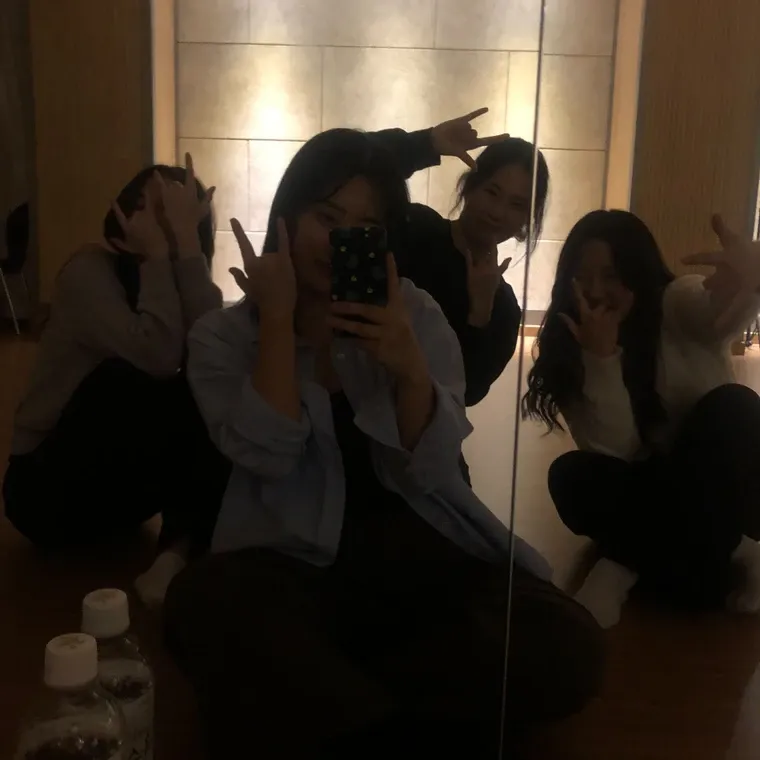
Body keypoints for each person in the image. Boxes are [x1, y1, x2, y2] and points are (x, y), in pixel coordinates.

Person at [163, 128, 602, 759]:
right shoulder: (224, 338)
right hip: (288, 564)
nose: (339, 239)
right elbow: (269, 454)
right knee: (203, 605)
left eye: (364, 227)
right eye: (326, 217)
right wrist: (279, 325)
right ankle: (404, 718)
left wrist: (408, 368)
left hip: (413, 553)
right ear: (288, 214)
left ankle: (336, 708)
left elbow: (431, 470)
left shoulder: (414, 314)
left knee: (568, 643)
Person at [2, 156, 230, 606]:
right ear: (124, 213)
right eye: (150, 206)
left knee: (213, 388)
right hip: (44, 491)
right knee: (124, 376)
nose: (162, 220)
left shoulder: (175, 274)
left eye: (176, 211)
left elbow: (217, 357)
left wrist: (186, 250)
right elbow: (157, 356)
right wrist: (159, 257)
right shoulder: (88, 271)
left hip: (121, 500)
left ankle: (176, 553)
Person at [522, 209, 760, 629]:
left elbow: (711, 310)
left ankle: (620, 566)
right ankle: (739, 552)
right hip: (669, 499)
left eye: (611, 275)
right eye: (582, 276)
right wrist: (600, 358)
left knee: (735, 407)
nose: (595, 290)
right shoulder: (571, 345)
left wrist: (746, 281)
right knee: (570, 475)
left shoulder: (674, 303)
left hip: (722, 488)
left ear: (637, 273)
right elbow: (616, 453)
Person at [370, 108, 549, 405]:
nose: (497, 212)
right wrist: (426, 143)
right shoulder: (413, 226)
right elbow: (348, 164)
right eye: (492, 192)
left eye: (517, 205)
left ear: (525, 220)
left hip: (416, 428)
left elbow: (465, 395)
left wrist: (480, 312)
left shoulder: (503, 309)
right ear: (469, 187)